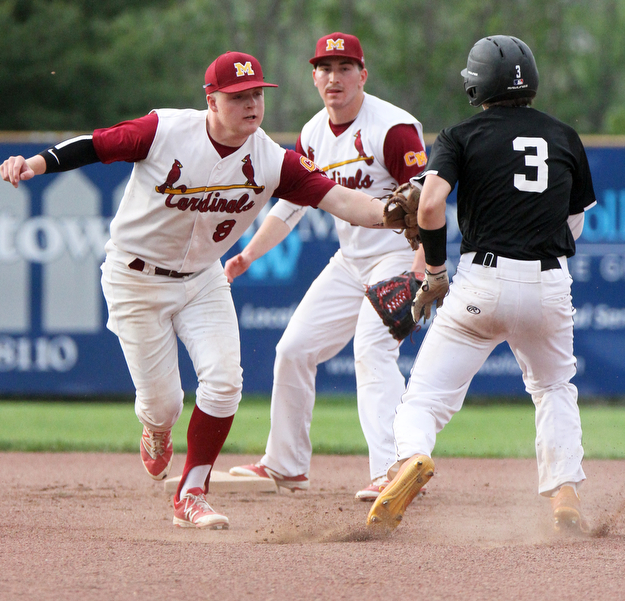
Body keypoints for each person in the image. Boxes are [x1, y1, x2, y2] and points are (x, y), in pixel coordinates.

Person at [1, 51, 396, 530]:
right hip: (134, 278)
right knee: (163, 404)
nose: (251, 105)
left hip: (203, 279)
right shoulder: (165, 130)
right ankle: (155, 427)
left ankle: (191, 493)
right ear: (211, 100)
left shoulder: (272, 159)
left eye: (257, 95)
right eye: (238, 97)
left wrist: (394, 215)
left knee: (226, 381)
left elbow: (338, 199)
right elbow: (96, 144)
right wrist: (38, 163)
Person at [367, 35, 596, 533]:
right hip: (548, 282)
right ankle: (564, 494)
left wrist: (433, 271)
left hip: (481, 282)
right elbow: (574, 221)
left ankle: (412, 459)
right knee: (555, 386)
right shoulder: (564, 136)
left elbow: (428, 206)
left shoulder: (460, 136)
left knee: (424, 399)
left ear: (476, 85)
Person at [225, 33, 428, 500]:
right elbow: (291, 206)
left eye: (344, 67)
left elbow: (427, 202)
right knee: (293, 349)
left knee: (372, 350)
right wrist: (249, 254)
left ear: (363, 74)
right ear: (314, 76)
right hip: (351, 260)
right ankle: (286, 465)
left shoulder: (393, 128)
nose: (333, 77)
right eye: (324, 68)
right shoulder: (313, 132)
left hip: (396, 253)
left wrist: (422, 267)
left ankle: (392, 468)